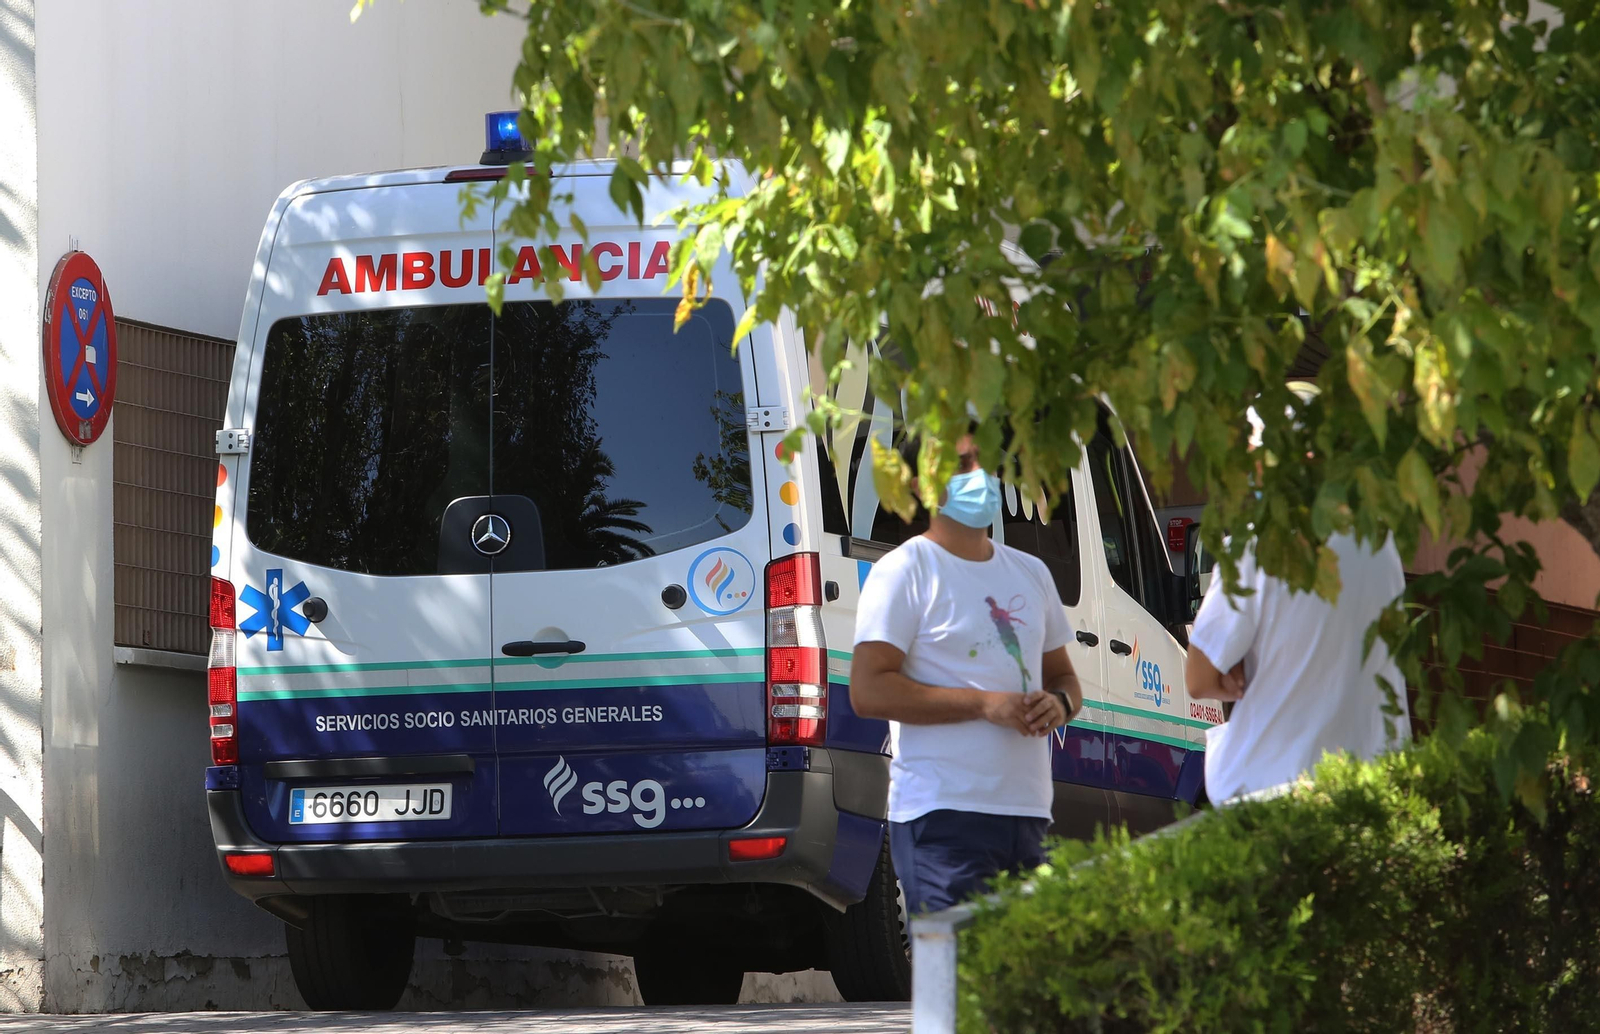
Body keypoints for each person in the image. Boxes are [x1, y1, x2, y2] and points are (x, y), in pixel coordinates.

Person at [850, 433, 1083, 915]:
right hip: (943, 819)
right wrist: (984, 704)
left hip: (1027, 813)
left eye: (980, 460)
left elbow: (1065, 679)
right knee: (955, 984)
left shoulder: (1033, 572)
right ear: (918, 486)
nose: (976, 474)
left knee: (1018, 987)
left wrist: (1058, 704)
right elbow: (868, 690)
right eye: (959, 465)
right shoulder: (904, 571)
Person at [1185, 527, 1412, 802]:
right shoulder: (1380, 542)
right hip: (1376, 786)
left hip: (1278, 791)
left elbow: (1198, 678)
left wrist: (1234, 668)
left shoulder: (1254, 547)